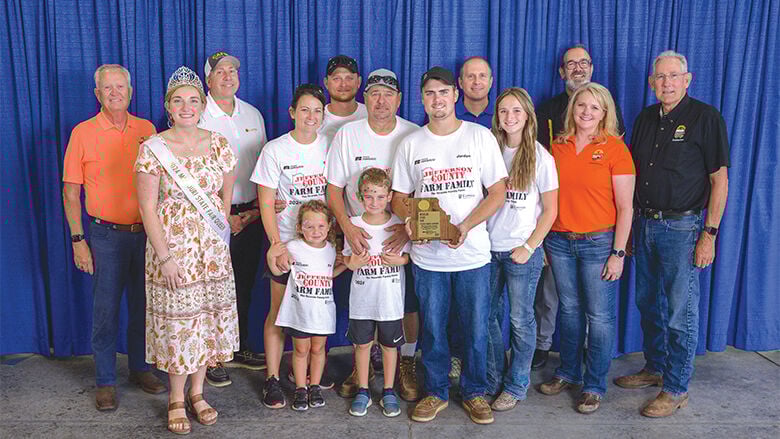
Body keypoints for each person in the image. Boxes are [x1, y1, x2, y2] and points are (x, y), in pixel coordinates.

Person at [614, 50, 729, 418]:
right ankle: (655, 367)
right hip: (645, 224)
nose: (666, 83)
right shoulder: (646, 118)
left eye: (673, 76)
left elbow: (719, 180)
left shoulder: (706, 117)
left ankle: (677, 387)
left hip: (683, 228)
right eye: (660, 77)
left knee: (681, 311)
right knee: (648, 303)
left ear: (687, 79)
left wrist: (709, 233)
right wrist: (628, 230)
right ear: (652, 83)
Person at [392, 66, 507, 425]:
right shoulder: (411, 143)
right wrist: (410, 218)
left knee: (476, 329)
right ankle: (436, 391)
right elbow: (398, 197)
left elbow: (498, 192)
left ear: (456, 95)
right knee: (433, 329)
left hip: (472, 255)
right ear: (422, 99)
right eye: (430, 93)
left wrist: (465, 227)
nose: (437, 99)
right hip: (429, 259)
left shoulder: (479, 137)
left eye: (443, 92)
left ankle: (474, 393)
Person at [135, 66, 239, 434]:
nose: (186, 107)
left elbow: (225, 197)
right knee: (180, 324)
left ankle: (198, 393)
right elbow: (147, 208)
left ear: (202, 105)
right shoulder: (152, 148)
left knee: (206, 320)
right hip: (173, 250)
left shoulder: (219, 144)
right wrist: (164, 257)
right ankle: (176, 398)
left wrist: (218, 235)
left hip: (211, 250)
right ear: (168, 106)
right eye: (178, 101)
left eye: (193, 100)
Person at [62, 64, 165, 412]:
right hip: (105, 235)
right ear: (98, 94)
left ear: (131, 92)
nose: (115, 93)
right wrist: (78, 239)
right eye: (108, 88)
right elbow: (71, 193)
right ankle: (106, 380)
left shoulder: (147, 130)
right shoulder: (82, 132)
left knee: (143, 306)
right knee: (105, 311)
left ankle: (140, 368)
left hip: (146, 233)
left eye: (121, 87)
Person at [538, 82, 635, 415]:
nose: (587, 112)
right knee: (568, 310)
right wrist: (543, 240)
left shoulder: (615, 149)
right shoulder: (557, 146)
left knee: (599, 317)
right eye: (581, 105)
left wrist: (618, 254)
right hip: (559, 241)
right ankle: (568, 372)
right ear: (572, 109)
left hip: (598, 243)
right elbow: (544, 199)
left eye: (595, 107)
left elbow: (626, 207)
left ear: (605, 113)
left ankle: (593, 385)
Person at [325, 68, 422, 402]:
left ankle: (406, 362)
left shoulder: (413, 134)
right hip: (361, 234)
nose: (381, 101)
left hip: (400, 234)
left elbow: (422, 189)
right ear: (364, 98)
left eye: (388, 94)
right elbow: (333, 188)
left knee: (406, 303)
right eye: (375, 94)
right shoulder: (348, 134)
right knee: (362, 305)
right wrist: (347, 227)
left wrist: (408, 226)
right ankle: (361, 368)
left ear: (399, 99)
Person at [532, 44, 627, 369]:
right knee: (558, 301)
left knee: (596, 310)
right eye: (571, 64)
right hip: (557, 231)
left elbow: (623, 200)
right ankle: (552, 354)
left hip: (597, 236)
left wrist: (619, 250)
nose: (586, 112)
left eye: (584, 62)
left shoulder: (614, 141)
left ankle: (593, 371)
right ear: (562, 72)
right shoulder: (552, 125)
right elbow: (540, 175)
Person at [251, 84, 330, 409]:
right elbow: (266, 201)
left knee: (314, 312)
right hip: (287, 245)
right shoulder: (275, 150)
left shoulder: (331, 146)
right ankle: (271, 377)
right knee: (279, 312)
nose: (311, 116)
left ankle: (309, 375)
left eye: (317, 111)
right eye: (305, 110)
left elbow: (337, 193)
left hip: (320, 248)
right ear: (292, 112)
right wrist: (275, 245)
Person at [485, 88, 558, 412]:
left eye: (516, 111)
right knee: (486, 317)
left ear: (528, 116)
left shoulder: (541, 157)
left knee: (520, 320)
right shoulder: (490, 150)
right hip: (487, 250)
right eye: (504, 111)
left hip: (521, 252)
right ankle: (492, 379)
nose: (509, 117)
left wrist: (530, 247)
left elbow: (551, 211)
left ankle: (515, 385)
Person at [198, 51, 268, 387]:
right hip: (209, 217)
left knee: (243, 285)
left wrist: (251, 214)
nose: (228, 76)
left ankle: (236, 347)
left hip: (249, 215)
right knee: (210, 289)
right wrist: (224, 217)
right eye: (220, 71)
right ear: (208, 79)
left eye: (232, 71)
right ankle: (210, 356)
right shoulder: (197, 115)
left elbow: (265, 169)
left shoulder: (252, 114)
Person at [342, 168, 411, 417]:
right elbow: (347, 260)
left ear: (390, 196)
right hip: (362, 300)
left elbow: (408, 258)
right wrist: (353, 263)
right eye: (369, 196)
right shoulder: (353, 225)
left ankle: (389, 390)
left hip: (390, 301)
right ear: (360, 197)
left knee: (389, 346)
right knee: (362, 345)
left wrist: (399, 261)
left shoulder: (398, 225)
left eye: (380, 196)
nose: (374, 202)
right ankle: (363, 390)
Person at [267, 200, 347, 411]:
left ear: (329, 227)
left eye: (320, 226)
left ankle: (315, 387)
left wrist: (347, 265)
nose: (315, 231)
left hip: (322, 310)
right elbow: (278, 272)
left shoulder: (332, 249)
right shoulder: (293, 247)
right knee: (301, 350)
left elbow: (329, 275)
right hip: (300, 311)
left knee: (318, 349)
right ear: (299, 227)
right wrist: (271, 257)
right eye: (309, 226)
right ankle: (301, 389)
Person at [319, 55, 367, 144]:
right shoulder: (316, 118)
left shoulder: (370, 115)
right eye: (336, 79)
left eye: (349, 78)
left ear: (359, 82)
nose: (343, 84)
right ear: (326, 83)